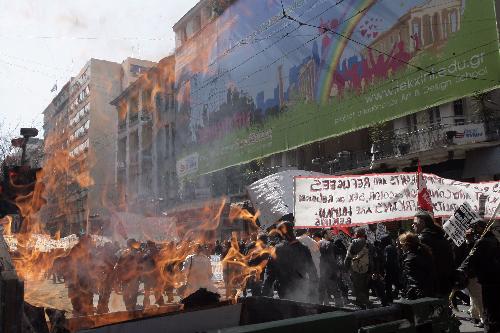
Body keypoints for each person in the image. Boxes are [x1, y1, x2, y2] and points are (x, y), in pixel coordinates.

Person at [458, 220, 500, 333]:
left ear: (480, 228)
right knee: (492, 309)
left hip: (488, 279)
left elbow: (472, 258)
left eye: (474, 228)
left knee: (489, 310)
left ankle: (490, 328)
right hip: (493, 278)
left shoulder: (484, 242)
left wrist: (461, 270)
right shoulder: (493, 240)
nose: (473, 231)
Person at [262, 220, 319, 303]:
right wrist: (313, 293)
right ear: (293, 232)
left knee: (289, 314)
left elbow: (269, 276)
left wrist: (264, 297)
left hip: (284, 292)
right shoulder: (303, 248)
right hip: (302, 290)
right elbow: (313, 272)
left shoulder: (276, 251)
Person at [413, 209, 454, 297]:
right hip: (444, 284)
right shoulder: (442, 238)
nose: (413, 225)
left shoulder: (422, 240)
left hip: (429, 288)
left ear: (423, 222)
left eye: (415, 223)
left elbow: (419, 264)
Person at [399, 232, 436, 300]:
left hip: (416, 296)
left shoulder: (409, 259)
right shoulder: (424, 253)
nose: (400, 248)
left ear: (407, 245)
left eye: (401, 245)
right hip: (428, 291)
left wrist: (408, 295)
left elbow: (412, 281)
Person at [344, 227, 371, 308]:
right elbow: (373, 257)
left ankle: (363, 303)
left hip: (356, 269)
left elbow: (348, 257)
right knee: (365, 286)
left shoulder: (354, 243)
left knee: (357, 286)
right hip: (367, 268)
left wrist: (346, 268)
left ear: (357, 234)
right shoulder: (368, 243)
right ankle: (366, 303)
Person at [115, 239, 142, 311]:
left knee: (128, 293)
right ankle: (131, 306)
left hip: (128, 277)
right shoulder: (137, 253)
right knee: (132, 292)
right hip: (131, 277)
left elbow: (117, 266)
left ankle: (129, 306)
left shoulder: (122, 252)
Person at [318, 230, 343, 306]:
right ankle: (339, 307)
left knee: (322, 290)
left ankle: (320, 307)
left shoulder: (317, 243)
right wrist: (336, 271)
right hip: (330, 271)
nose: (332, 234)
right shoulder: (330, 244)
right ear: (325, 235)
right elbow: (333, 258)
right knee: (335, 290)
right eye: (330, 233)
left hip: (321, 271)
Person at [141, 241, 165, 308]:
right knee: (157, 291)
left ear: (148, 245)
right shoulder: (158, 252)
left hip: (148, 276)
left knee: (147, 292)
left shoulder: (145, 253)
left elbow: (143, 265)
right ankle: (161, 305)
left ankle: (146, 305)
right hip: (155, 276)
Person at [380, 235, 401, 304]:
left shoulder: (387, 248)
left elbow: (387, 260)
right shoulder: (392, 247)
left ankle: (389, 300)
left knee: (388, 286)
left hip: (389, 270)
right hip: (395, 269)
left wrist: (384, 267)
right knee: (396, 284)